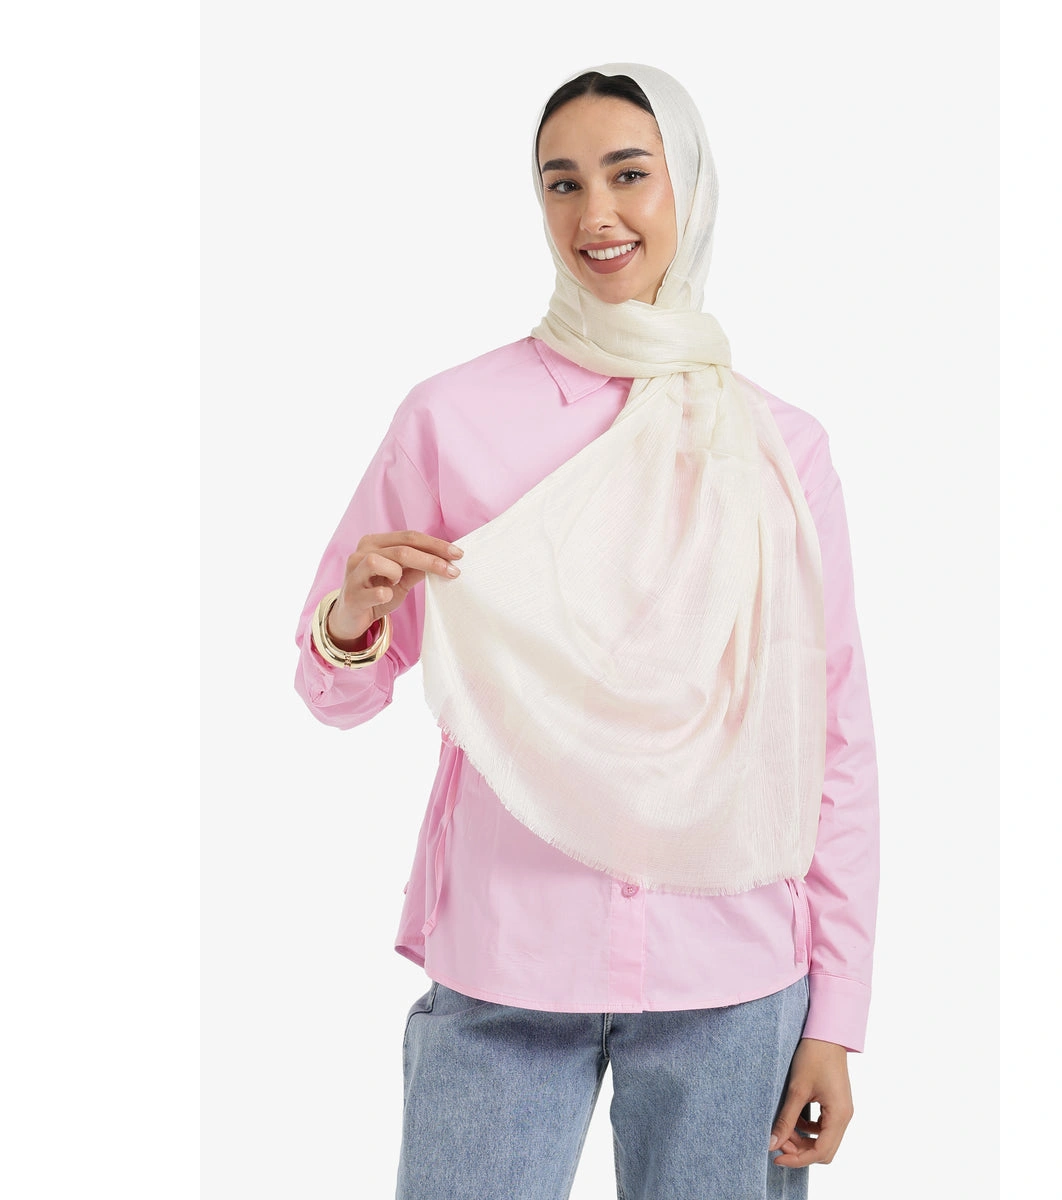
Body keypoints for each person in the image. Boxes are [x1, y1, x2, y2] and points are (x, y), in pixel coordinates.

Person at [293, 62, 879, 1199]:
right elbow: (335, 693)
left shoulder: (780, 447)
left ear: (688, 187)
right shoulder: (453, 418)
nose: (595, 213)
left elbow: (833, 740)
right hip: (508, 957)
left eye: (628, 175)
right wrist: (353, 620)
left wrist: (836, 1013)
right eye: (561, 183)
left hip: (731, 972)